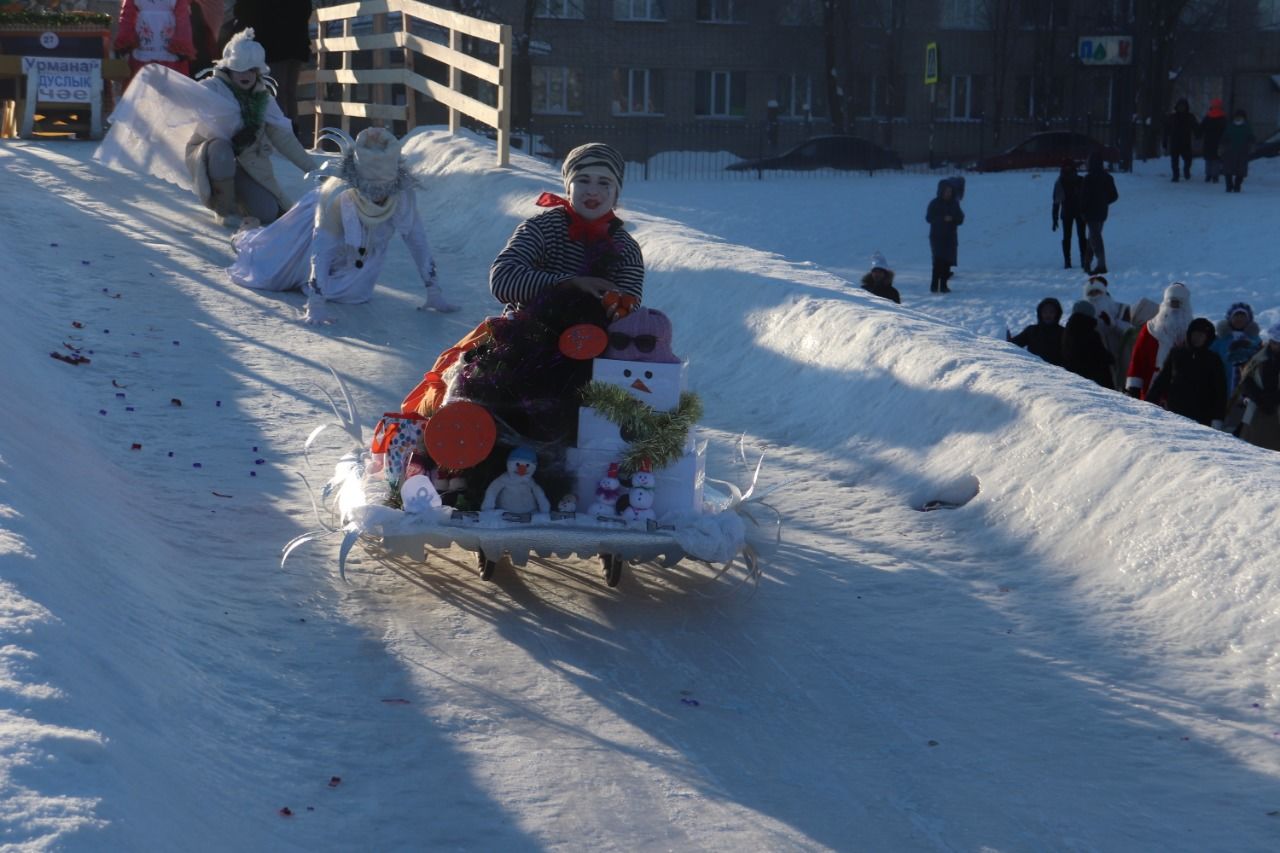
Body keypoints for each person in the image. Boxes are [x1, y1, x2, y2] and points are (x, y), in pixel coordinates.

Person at [227, 125, 458, 324]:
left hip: (361, 248)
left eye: (385, 189)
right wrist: (315, 303)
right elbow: (321, 248)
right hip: (308, 230)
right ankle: (247, 232)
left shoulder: (402, 195)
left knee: (354, 294)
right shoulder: (336, 197)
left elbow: (416, 238)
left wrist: (433, 290)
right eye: (371, 190)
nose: (378, 197)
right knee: (267, 271)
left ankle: (318, 280)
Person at [491, 142, 643, 316]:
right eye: (583, 180)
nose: (592, 191)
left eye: (604, 183)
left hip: (595, 340)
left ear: (616, 195)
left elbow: (629, 310)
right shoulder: (541, 228)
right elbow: (502, 280)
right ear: (568, 189)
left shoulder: (626, 248)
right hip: (527, 333)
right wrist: (570, 283)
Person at [184, 28, 317, 228]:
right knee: (220, 148)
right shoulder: (213, 89)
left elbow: (284, 138)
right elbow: (185, 97)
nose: (245, 75)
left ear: (258, 71)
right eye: (239, 69)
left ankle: (240, 200)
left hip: (248, 166)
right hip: (215, 160)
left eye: (251, 70)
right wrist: (162, 82)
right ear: (229, 69)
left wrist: (314, 169)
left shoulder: (263, 99)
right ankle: (223, 208)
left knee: (268, 212)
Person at [229, 0, 313, 126]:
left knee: (275, 93)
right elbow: (306, 9)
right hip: (297, 42)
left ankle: (282, 136)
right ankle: (292, 136)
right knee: (289, 93)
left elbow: (243, 10)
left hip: (273, 44)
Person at [1145, 317, 1227, 427]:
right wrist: (1149, 403)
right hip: (1174, 414)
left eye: (1202, 335)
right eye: (1195, 334)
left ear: (1208, 338)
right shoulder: (1176, 353)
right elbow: (1162, 380)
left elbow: (1220, 392)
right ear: (1189, 334)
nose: (1197, 338)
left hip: (1202, 419)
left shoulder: (1213, 360)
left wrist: (1218, 418)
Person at [1125, 282, 1193, 399]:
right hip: (1151, 384)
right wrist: (1133, 386)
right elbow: (1138, 359)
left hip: (1181, 389)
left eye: (1178, 303)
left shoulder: (1192, 331)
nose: (1175, 307)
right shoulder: (1151, 328)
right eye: (1172, 303)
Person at [114, 0, 196, 86]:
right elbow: (127, 16)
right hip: (144, 43)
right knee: (143, 84)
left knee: (171, 84)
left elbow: (182, 17)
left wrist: (181, 44)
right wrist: (124, 40)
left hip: (168, 45)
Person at [1233, 324, 1280, 451]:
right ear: (1270, 341)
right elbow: (1246, 381)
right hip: (1257, 411)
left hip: (1277, 410)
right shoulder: (1258, 359)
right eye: (1275, 342)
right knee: (1254, 452)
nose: (1278, 346)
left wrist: (1275, 399)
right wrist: (1259, 398)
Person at [1081, 275, 1133, 387]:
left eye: (1097, 292)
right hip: (1096, 360)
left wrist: (1113, 324)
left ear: (1104, 292)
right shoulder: (1083, 312)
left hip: (1120, 355)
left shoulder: (1121, 308)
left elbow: (1130, 332)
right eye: (1091, 293)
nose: (1095, 296)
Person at [1059, 300, 1114, 389]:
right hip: (1094, 377)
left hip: (1074, 376)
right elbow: (1098, 353)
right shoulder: (1090, 331)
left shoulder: (1068, 330)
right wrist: (1110, 358)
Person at [1079, 150, 1118, 275]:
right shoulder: (1107, 178)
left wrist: (1082, 210)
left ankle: (1101, 265)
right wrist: (1104, 202)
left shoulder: (1088, 179)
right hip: (1102, 212)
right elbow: (1114, 196)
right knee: (1093, 237)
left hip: (1091, 213)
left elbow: (1084, 197)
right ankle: (1087, 263)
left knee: (1095, 238)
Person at [926, 179, 963, 294]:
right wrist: (942, 219)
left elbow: (960, 218)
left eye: (950, 191)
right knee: (938, 261)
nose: (948, 193)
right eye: (946, 191)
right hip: (937, 236)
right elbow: (929, 218)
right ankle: (934, 285)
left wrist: (953, 219)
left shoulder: (954, 204)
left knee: (947, 262)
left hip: (950, 236)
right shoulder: (934, 203)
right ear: (941, 191)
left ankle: (943, 285)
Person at [1051, 160, 1087, 270]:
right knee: (1079, 237)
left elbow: (1056, 202)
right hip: (1076, 212)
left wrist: (1055, 217)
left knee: (1069, 237)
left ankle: (1069, 261)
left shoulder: (1060, 181)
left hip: (1069, 212)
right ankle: (1081, 260)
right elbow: (1056, 201)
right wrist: (1055, 217)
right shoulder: (1080, 180)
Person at [1009, 297, 1064, 366]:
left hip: (1058, 373)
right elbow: (1013, 345)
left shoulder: (1063, 333)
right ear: (1040, 313)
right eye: (1045, 311)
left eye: (1051, 312)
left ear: (1057, 314)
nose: (1048, 314)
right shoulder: (1031, 330)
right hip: (1034, 370)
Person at [1162, 97, 1198, 182]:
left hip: (1186, 142)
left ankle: (1186, 170)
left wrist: (1198, 135)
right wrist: (1165, 140)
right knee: (1174, 160)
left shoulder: (1190, 117)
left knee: (1188, 159)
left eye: (1183, 106)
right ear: (1177, 107)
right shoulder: (1172, 117)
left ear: (1186, 107)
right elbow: (1166, 129)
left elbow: (1196, 127)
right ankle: (1175, 175)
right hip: (1174, 141)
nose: (1181, 108)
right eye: (1180, 106)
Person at [1219, 108, 1255, 193]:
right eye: (1237, 116)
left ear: (1244, 118)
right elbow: (1224, 137)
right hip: (1229, 151)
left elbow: (1251, 137)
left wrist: (1252, 145)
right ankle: (1229, 185)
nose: (1238, 118)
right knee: (1228, 169)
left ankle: (1237, 185)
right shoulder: (1230, 126)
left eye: (1240, 117)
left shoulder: (1247, 127)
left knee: (1241, 171)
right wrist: (1221, 146)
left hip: (1242, 151)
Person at [1199, 97, 1227, 183]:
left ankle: (1208, 175)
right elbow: (1225, 129)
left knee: (1209, 159)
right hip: (1218, 140)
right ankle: (1215, 175)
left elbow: (1202, 127)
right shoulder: (1223, 117)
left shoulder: (1208, 116)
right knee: (1216, 159)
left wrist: (1199, 134)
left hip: (1208, 139)